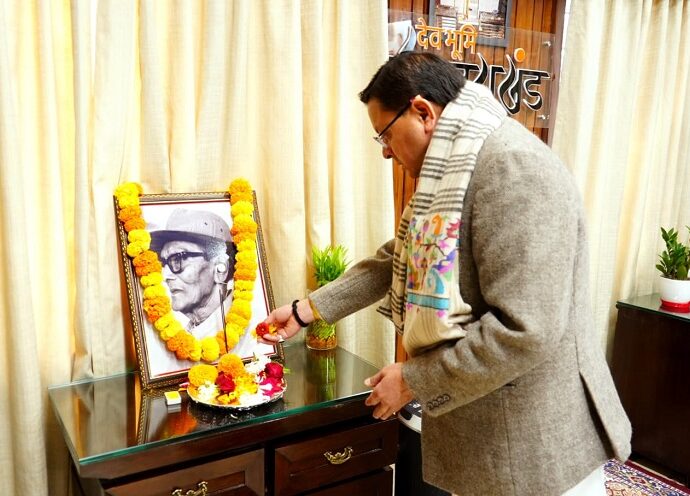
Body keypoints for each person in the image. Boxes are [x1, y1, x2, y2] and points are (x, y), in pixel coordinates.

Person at [263, 51, 631, 495]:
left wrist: (413, 380)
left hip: (531, 447)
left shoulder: (513, 168)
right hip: (489, 434)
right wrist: (306, 310)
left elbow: (525, 329)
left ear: (423, 112)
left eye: (385, 134)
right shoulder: (455, 167)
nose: (385, 151)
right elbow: (398, 257)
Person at [146, 207, 253, 377]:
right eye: (164, 262)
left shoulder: (252, 332)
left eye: (179, 258)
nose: (165, 276)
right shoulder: (180, 333)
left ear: (220, 269)